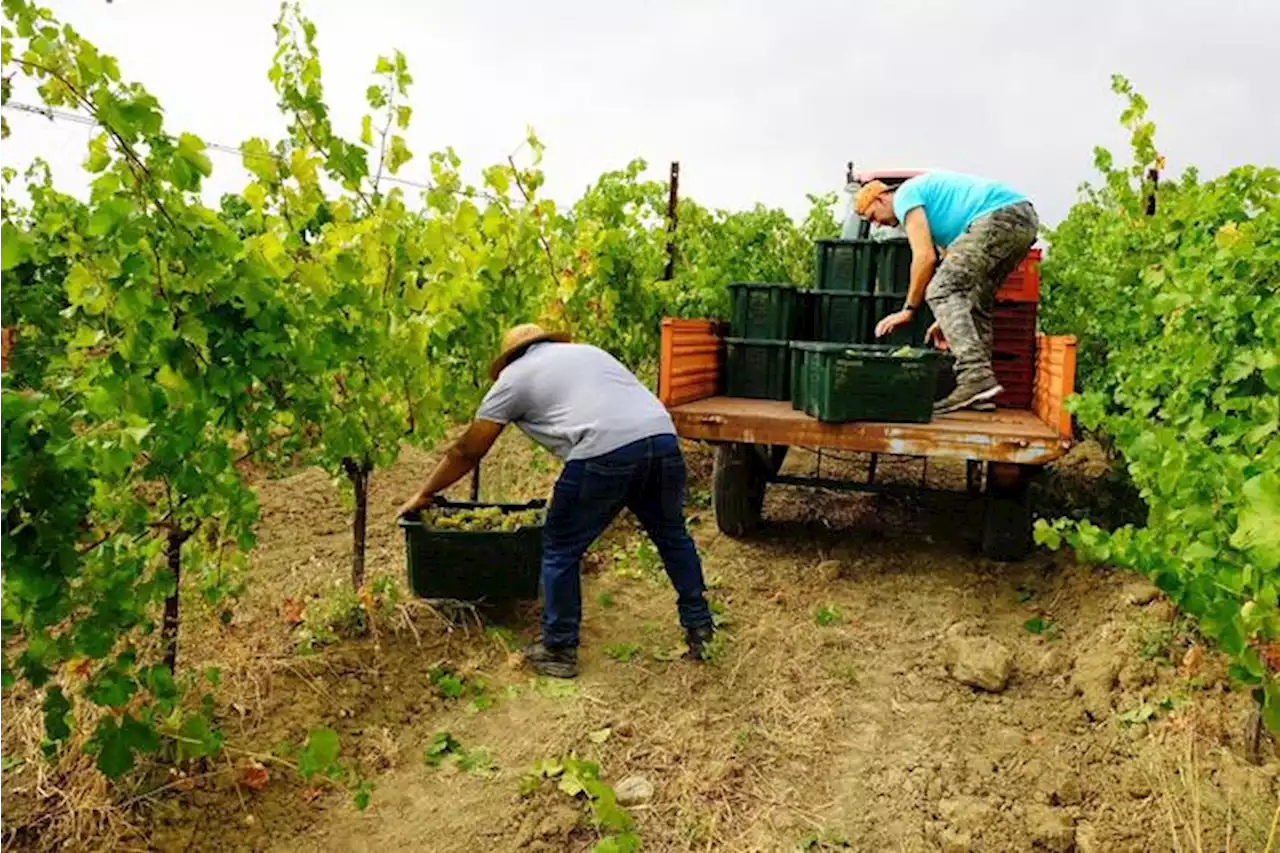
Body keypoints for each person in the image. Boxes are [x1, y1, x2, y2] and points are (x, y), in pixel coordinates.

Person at [396, 324, 716, 678]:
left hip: (603, 450)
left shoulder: (513, 378)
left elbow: (468, 449)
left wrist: (425, 492)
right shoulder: (590, 353)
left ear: (509, 358)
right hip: (662, 439)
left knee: (560, 546)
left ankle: (559, 648)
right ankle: (700, 628)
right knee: (672, 536)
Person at [855, 171, 1039, 414]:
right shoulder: (938, 217)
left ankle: (974, 374)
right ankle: (980, 395)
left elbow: (924, 258)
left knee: (939, 290)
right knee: (976, 302)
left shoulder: (904, 197)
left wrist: (908, 310)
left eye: (873, 217)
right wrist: (946, 319)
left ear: (881, 198)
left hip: (998, 216)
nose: (877, 224)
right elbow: (951, 263)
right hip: (1022, 218)